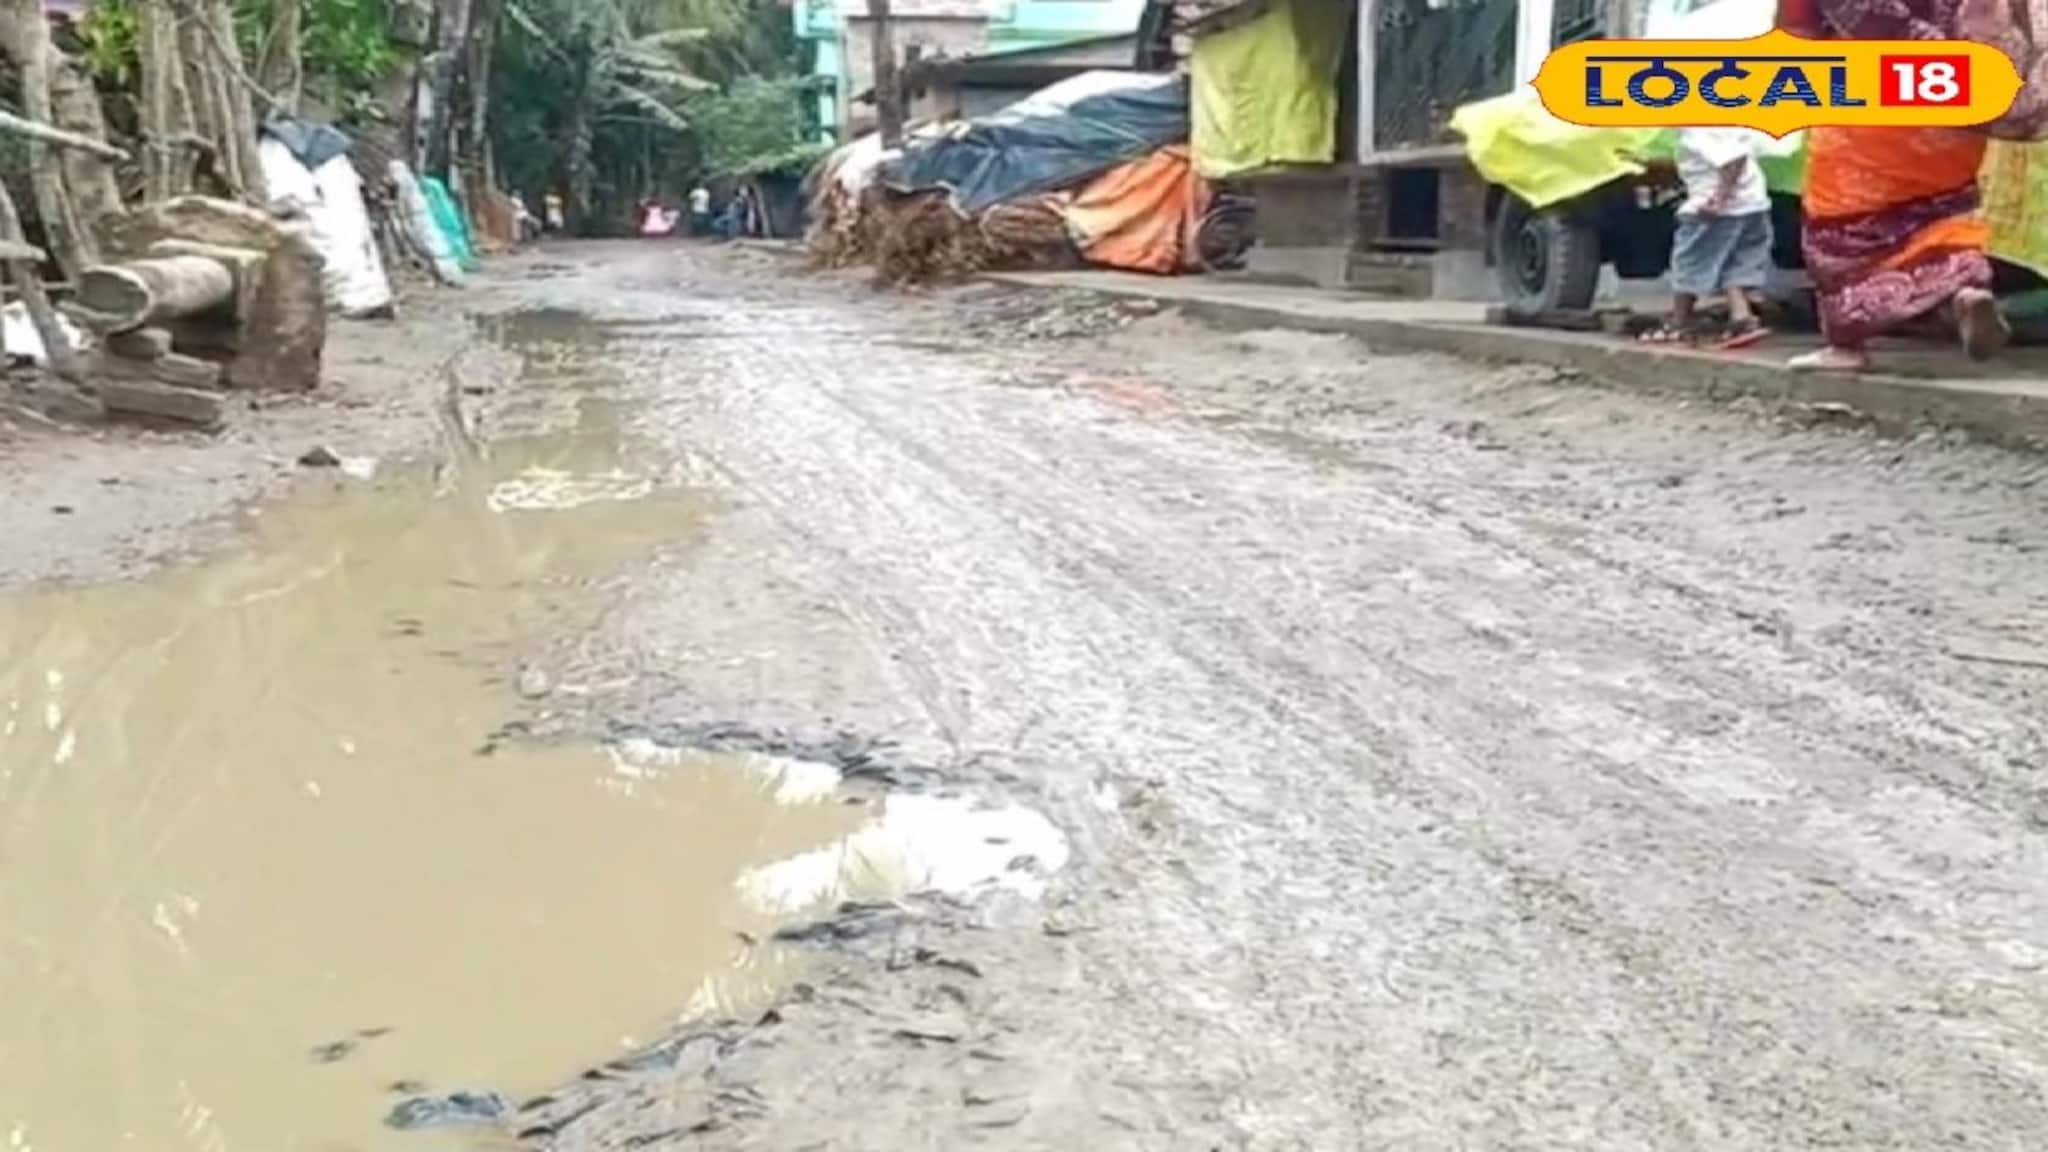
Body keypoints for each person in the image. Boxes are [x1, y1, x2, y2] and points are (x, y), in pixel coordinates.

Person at [1777, 0, 2046, 372]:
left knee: (1838, 228)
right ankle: (1963, 291)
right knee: (1946, 209)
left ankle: (1847, 346)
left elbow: (1799, 26)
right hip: (1950, 91)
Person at [1641, 126, 1774, 348]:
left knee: (1690, 261)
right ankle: (1741, 317)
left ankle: (1679, 322)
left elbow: (1733, 160)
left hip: (1717, 208)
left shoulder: (1701, 128)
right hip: (1753, 204)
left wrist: (1720, 199)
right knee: (1735, 263)